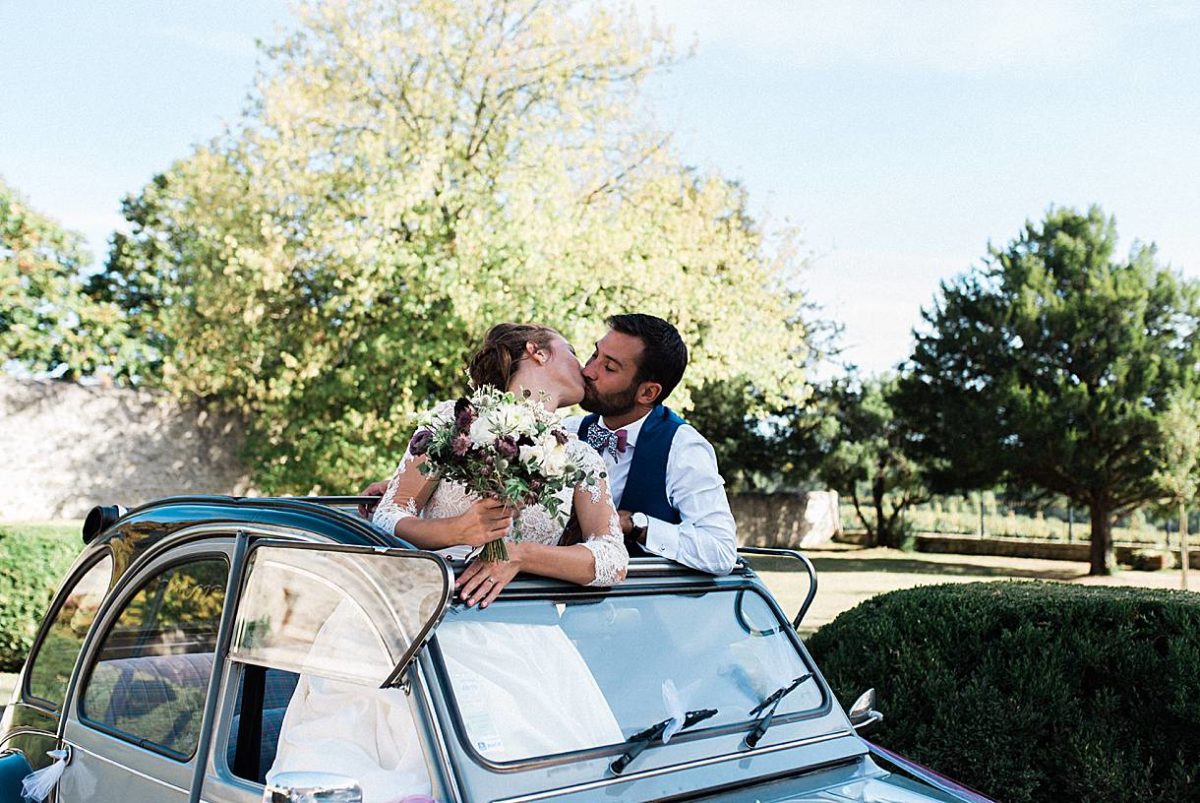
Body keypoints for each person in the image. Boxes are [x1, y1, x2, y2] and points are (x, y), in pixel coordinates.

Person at [371, 323, 628, 605]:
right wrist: (456, 530)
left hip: (514, 616)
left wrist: (519, 554)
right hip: (429, 602)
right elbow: (387, 516)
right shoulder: (454, 419)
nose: (585, 368)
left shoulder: (581, 457)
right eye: (572, 352)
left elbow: (613, 559)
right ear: (538, 352)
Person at [564, 313, 737, 575]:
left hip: (643, 604)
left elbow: (720, 551)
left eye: (609, 368)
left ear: (647, 392)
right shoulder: (568, 432)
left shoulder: (682, 448)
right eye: (594, 355)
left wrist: (636, 526)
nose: (588, 371)